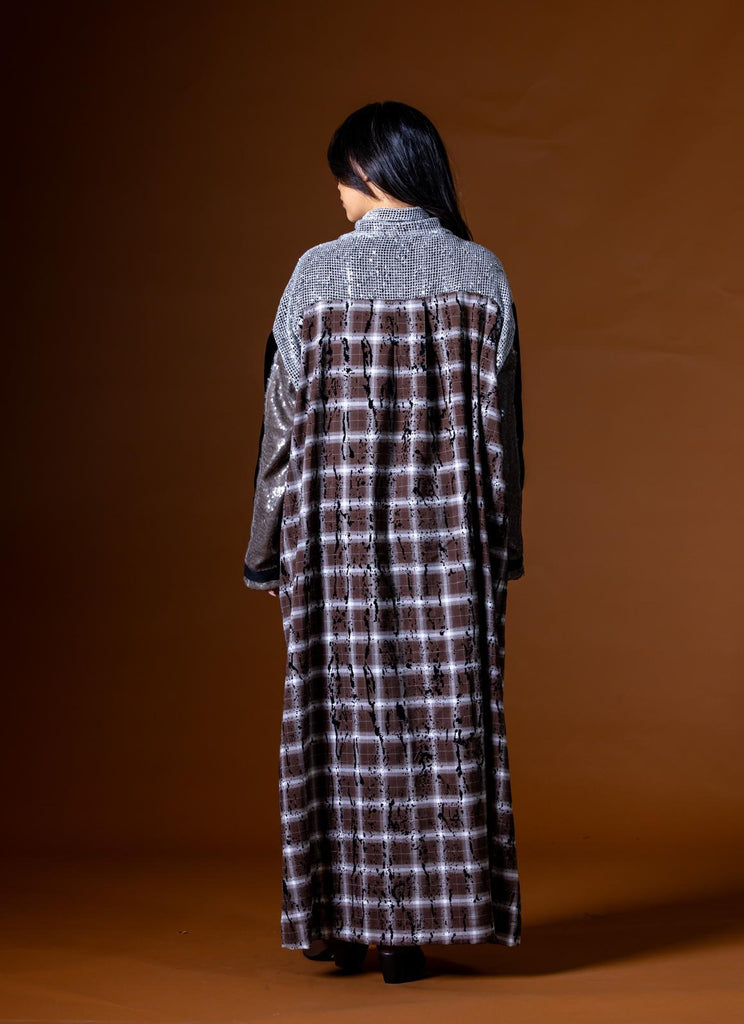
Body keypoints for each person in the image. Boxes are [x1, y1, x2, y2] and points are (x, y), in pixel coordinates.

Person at [242, 101, 525, 985]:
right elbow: (503, 438)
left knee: (342, 726)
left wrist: (263, 549)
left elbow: (280, 429)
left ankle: (343, 922)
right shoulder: (482, 274)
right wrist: (503, 547)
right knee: (441, 725)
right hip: (448, 546)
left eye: (342, 173)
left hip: (333, 544)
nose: (337, 191)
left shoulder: (314, 276)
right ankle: (415, 932)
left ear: (371, 170)